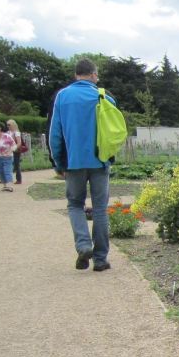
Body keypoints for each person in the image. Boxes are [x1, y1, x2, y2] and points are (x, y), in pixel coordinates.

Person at [48, 58, 115, 272]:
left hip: (73, 161)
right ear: (94, 75)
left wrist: (58, 162)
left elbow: (54, 134)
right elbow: (115, 132)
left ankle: (84, 245)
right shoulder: (104, 97)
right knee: (100, 210)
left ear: (76, 75)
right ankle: (100, 260)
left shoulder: (63, 97)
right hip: (99, 160)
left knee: (75, 205)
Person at [6, 119, 24, 184]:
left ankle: (19, 179)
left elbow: (19, 143)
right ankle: (5, 178)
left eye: (9, 125)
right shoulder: (8, 132)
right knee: (7, 164)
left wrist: (14, 148)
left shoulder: (16, 133)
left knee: (16, 164)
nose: (8, 126)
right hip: (8, 150)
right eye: (7, 125)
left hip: (15, 150)